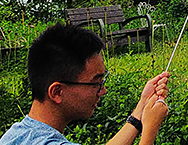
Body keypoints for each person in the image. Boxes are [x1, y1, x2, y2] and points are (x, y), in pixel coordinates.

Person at [0, 23, 169, 145]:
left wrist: (141, 108)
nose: (103, 91)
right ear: (57, 92)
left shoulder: (16, 135)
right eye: (96, 83)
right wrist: (150, 130)